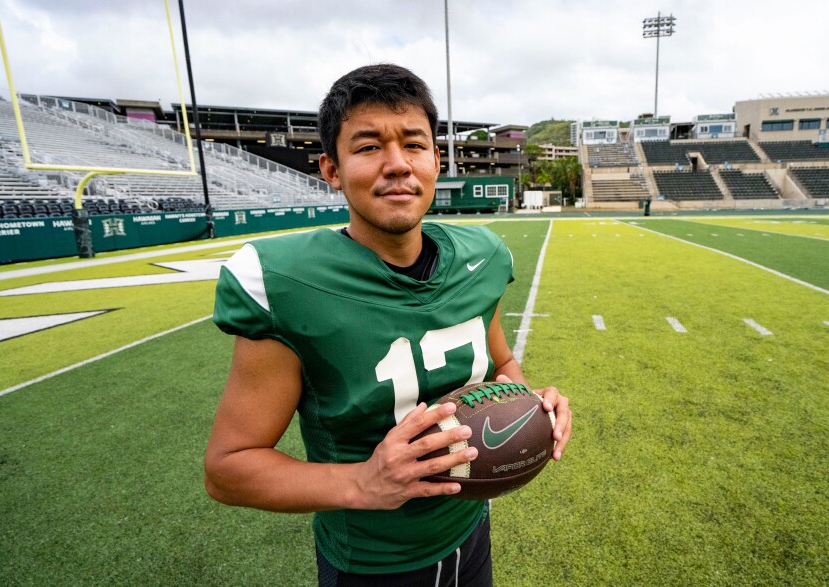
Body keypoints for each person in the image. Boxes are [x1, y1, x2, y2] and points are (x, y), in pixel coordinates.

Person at [204, 63, 571, 586]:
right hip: (373, 565)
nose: (397, 164)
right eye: (369, 146)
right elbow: (228, 468)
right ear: (331, 169)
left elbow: (501, 364)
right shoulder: (287, 282)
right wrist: (364, 482)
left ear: (436, 160)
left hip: (470, 529)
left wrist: (533, 404)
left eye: (414, 144)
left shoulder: (483, 257)